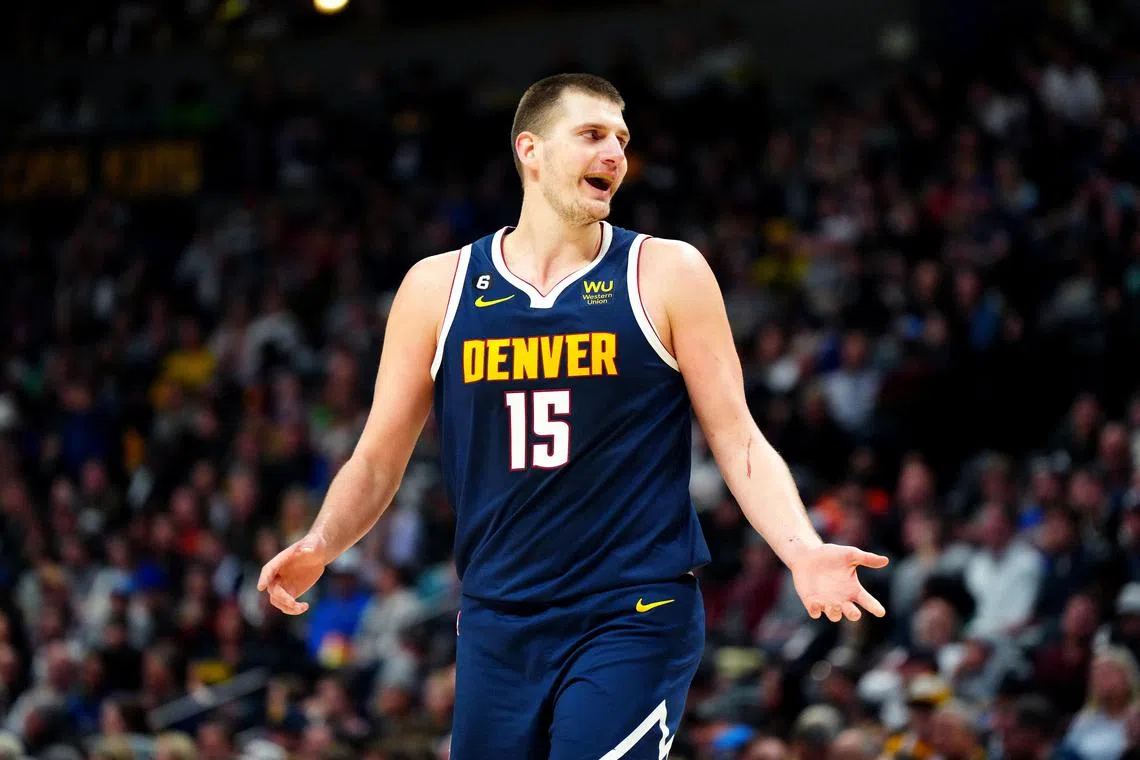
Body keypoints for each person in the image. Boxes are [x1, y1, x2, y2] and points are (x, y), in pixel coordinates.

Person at [258, 73, 889, 759]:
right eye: (592, 135)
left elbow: (737, 436)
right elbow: (379, 457)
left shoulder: (665, 272)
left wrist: (801, 548)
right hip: (498, 621)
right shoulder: (438, 287)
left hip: (632, 612)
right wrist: (323, 542)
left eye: (622, 138)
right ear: (530, 150)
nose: (615, 152)